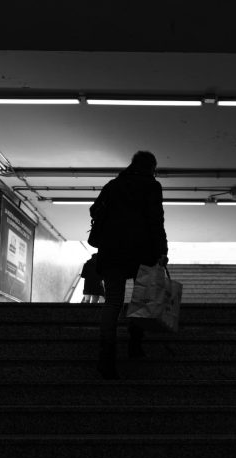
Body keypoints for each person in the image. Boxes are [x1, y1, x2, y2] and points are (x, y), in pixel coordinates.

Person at [92, 151, 169, 379]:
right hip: (141, 253)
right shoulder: (152, 186)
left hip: (112, 252)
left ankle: (107, 358)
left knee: (113, 302)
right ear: (151, 168)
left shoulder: (113, 185)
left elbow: (95, 211)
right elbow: (157, 221)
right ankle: (135, 346)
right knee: (141, 301)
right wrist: (163, 251)